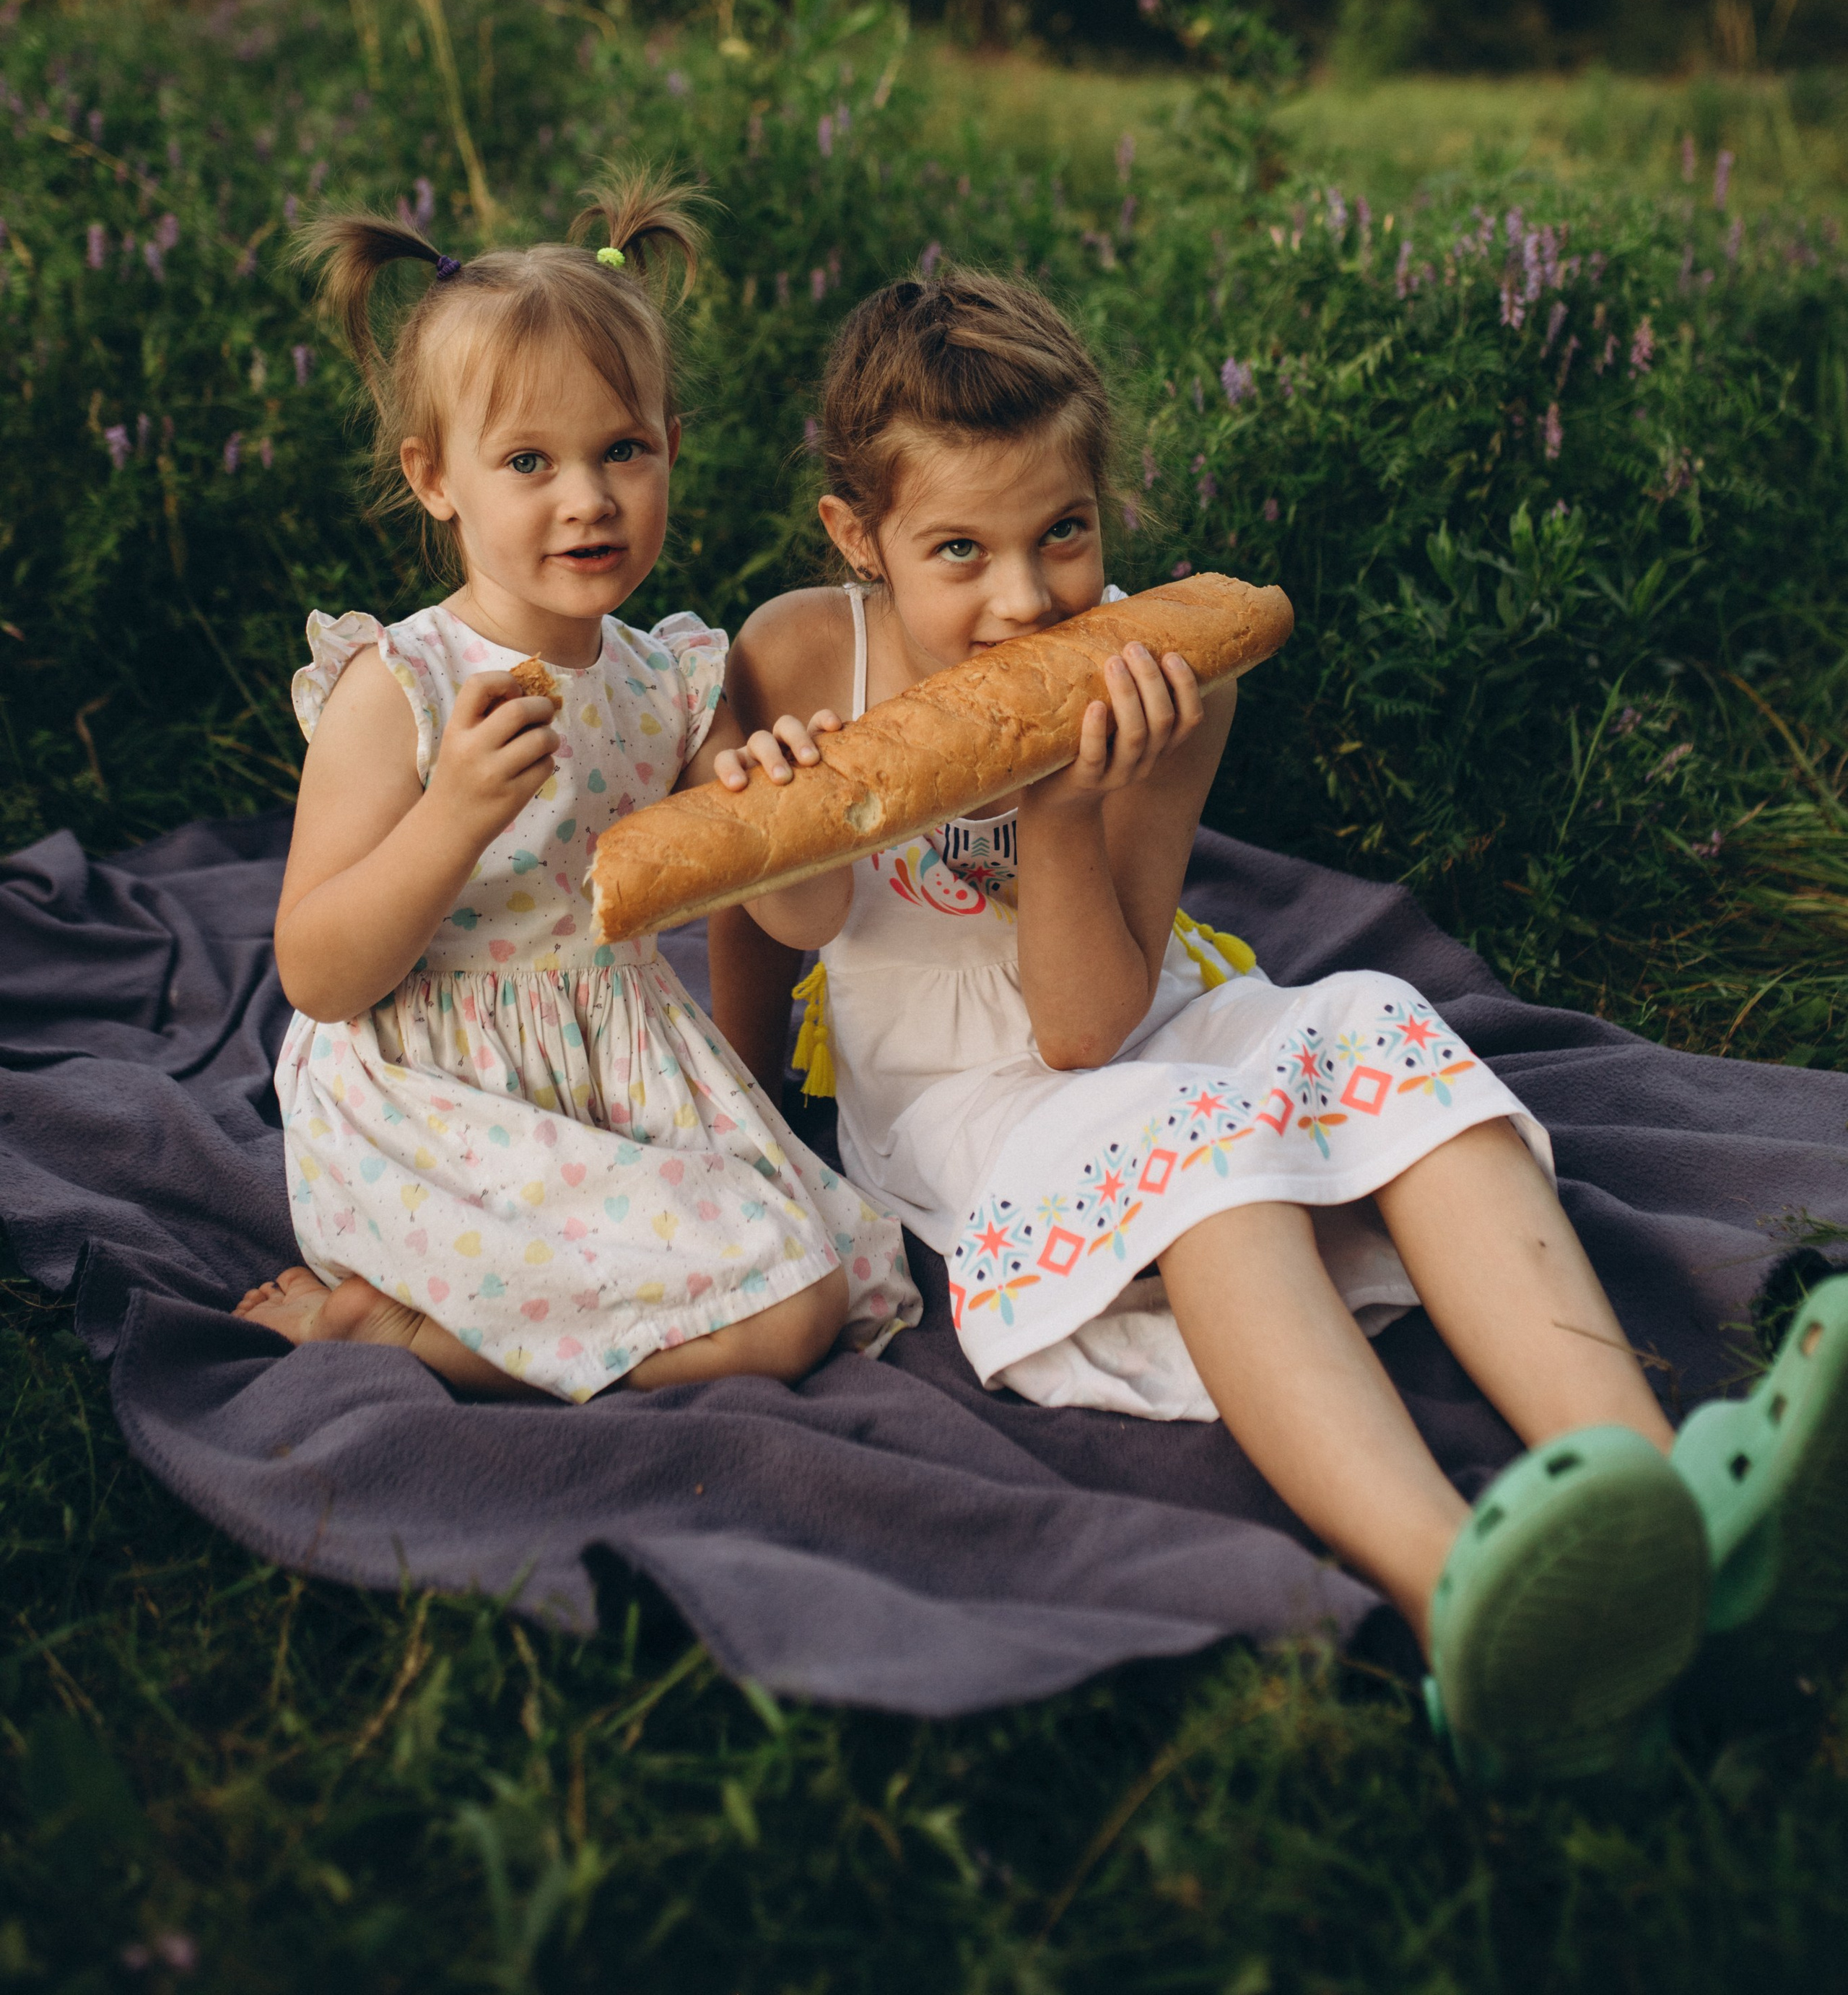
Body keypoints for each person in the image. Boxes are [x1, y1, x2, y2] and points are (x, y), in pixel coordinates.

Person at [707, 266, 1848, 1784]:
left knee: (1375, 1020)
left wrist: (1073, 801)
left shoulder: (1168, 671)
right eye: (956, 550)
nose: (1025, 595)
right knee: (1200, 1163)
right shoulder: (796, 655)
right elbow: (801, 946)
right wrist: (738, 1099)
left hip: (1128, 1003)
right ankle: (1462, 1601)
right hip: (973, 1102)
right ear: (860, 541)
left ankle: (1655, 1506)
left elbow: (1105, 1004)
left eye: (1063, 532)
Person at [234, 176, 917, 1402]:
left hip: (621, 1067)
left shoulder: (671, 685)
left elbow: (802, 924)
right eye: (529, 462)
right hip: (437, 1109)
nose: (587, 497)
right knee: (790, 1308)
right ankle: (403, 1340)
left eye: (622, 451)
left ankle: (486, 1320)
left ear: (670, 454)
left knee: (832, 1281)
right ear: (437, 478)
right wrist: (449, 816)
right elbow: (320, 974)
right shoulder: (398, 687)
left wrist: (788, 815)